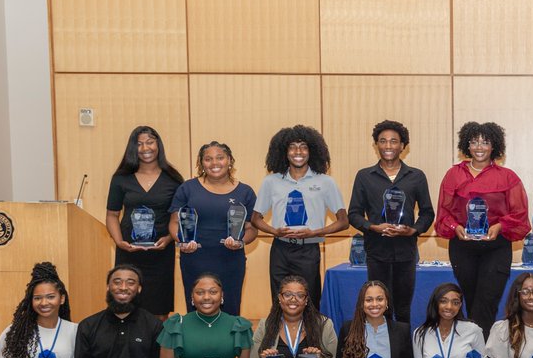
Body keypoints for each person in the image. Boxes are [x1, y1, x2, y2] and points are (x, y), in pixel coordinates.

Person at [434, 121, 530, 336]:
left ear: (494, 146)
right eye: (474, 141)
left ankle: (479, 357)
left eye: (485, 142)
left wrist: (500, 226)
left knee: (486, 301)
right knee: (470, 298)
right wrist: (455, 227)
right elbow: (443, 212)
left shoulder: (508, 177)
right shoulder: (453, 175)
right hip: (463, 246)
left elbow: (520, 214)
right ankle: (476, 355)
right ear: (466, 145)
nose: (479, 147)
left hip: (495, 247)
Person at [251, 125, 348, 310]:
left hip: (308, 250)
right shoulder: (271, 181)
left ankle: (310, 339)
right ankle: (280, 338)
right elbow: (256, 219)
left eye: (303, 146)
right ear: (284, 151)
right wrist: (274, 231)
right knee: (280, 301)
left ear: (311, 151)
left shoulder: (325, 182)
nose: (298, 152)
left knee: (309, 302)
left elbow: (343, 222)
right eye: (292, 147)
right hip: (280, 249)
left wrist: (314, 233)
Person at [347, 120, 435, 323]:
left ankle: (402, 353)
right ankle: (381, 350)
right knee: (378, 307)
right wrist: (373, 227)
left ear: (403, 146)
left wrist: (412, 231)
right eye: (383, 141)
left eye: (394, 141)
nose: (388, 146)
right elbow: (354, 214)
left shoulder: (417, 176)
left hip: (406, 252)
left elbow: (428, 213)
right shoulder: (364, 176)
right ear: (376, 145)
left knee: (403, 309)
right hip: (376, 252)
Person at [169, 141, 257, 317]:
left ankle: (231, 345)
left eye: (220, 158)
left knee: (230, 308)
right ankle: (197, 344)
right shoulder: (188, 188)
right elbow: (174, 222)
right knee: (197, 308)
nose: (214, 163)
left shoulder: (245, 192)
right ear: (201, 163)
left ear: (230, 160)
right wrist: (182, 242)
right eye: (208, 159)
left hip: (230, 260)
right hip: (195, 258)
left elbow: (252, 229)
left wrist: (241, 243)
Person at [105, 125, 184, 317]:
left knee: (159, 310)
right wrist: (118, 242)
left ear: (158, 145)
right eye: (139, 144)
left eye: (149, 142)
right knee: (126, 307)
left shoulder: (174, 179)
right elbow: (112, 215)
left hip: (161, 254)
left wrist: (169, 239)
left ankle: (158, 347)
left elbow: (179, 218)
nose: (145, 148)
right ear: (133, 148)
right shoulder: (121, 178)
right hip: (128, 253)